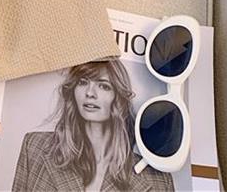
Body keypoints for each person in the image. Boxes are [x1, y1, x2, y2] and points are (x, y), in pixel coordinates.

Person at [11, 59, 175, 191]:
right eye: (83, 82)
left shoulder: (157, 180)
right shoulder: (35, 147)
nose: (90, 93)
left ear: (118, 98)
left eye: (103, 86)